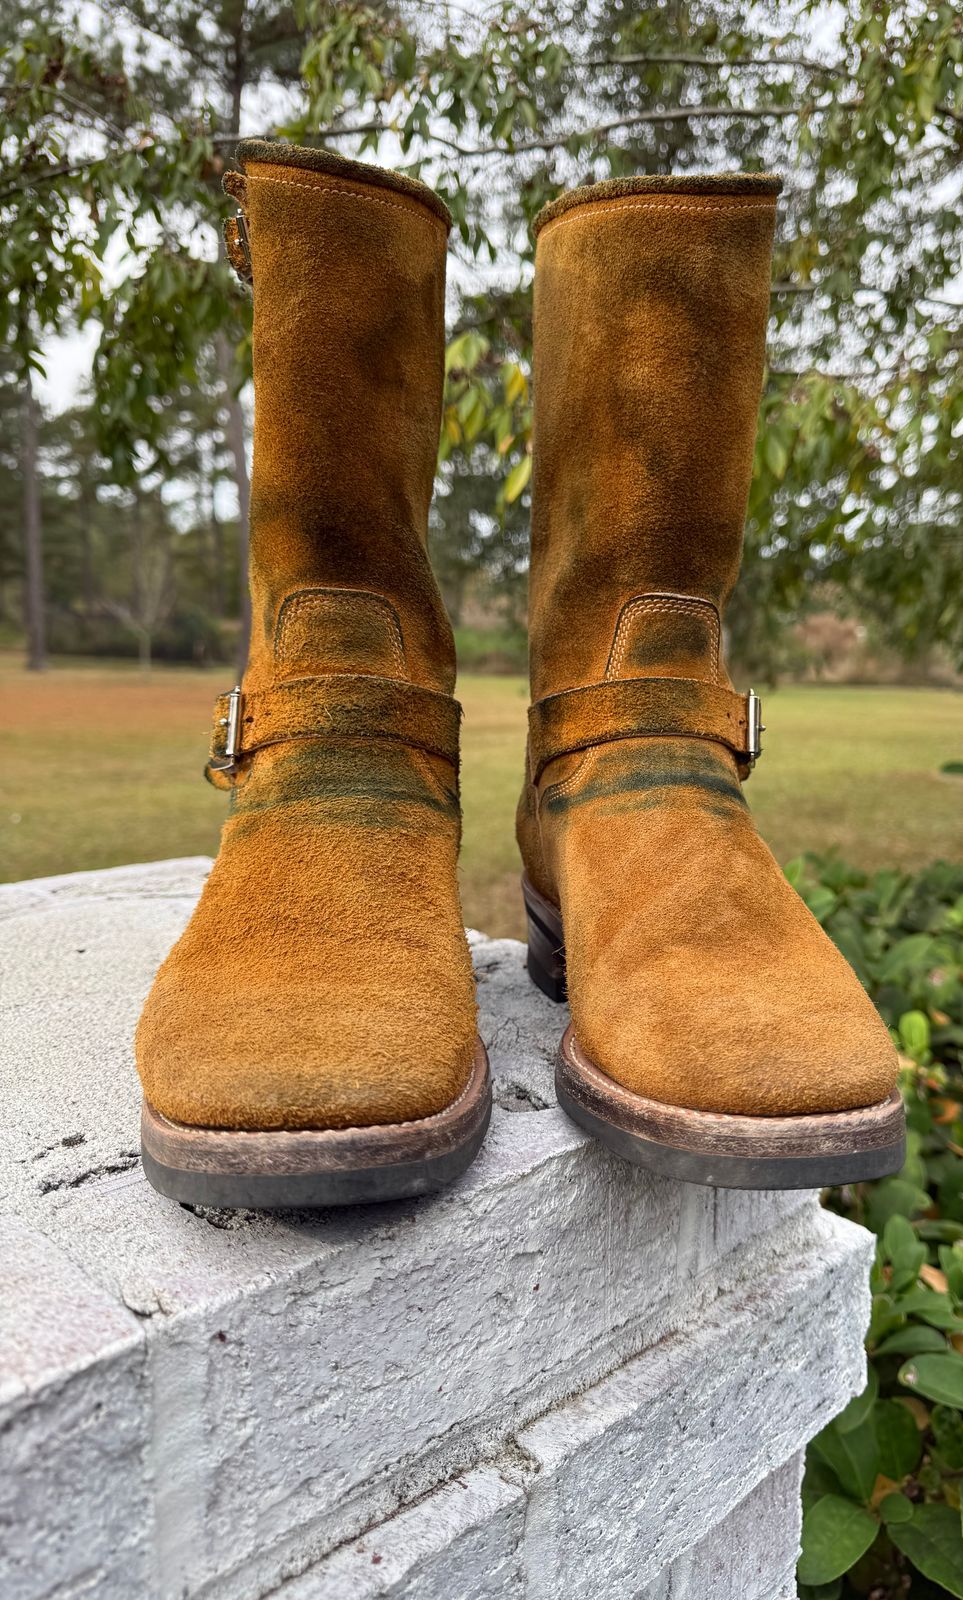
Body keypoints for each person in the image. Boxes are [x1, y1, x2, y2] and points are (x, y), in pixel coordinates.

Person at [134, 142, 903, 1208]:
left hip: (642, 739)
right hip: (317, 742)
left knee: (667, 333)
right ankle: (353, 764)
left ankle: (606, 788)